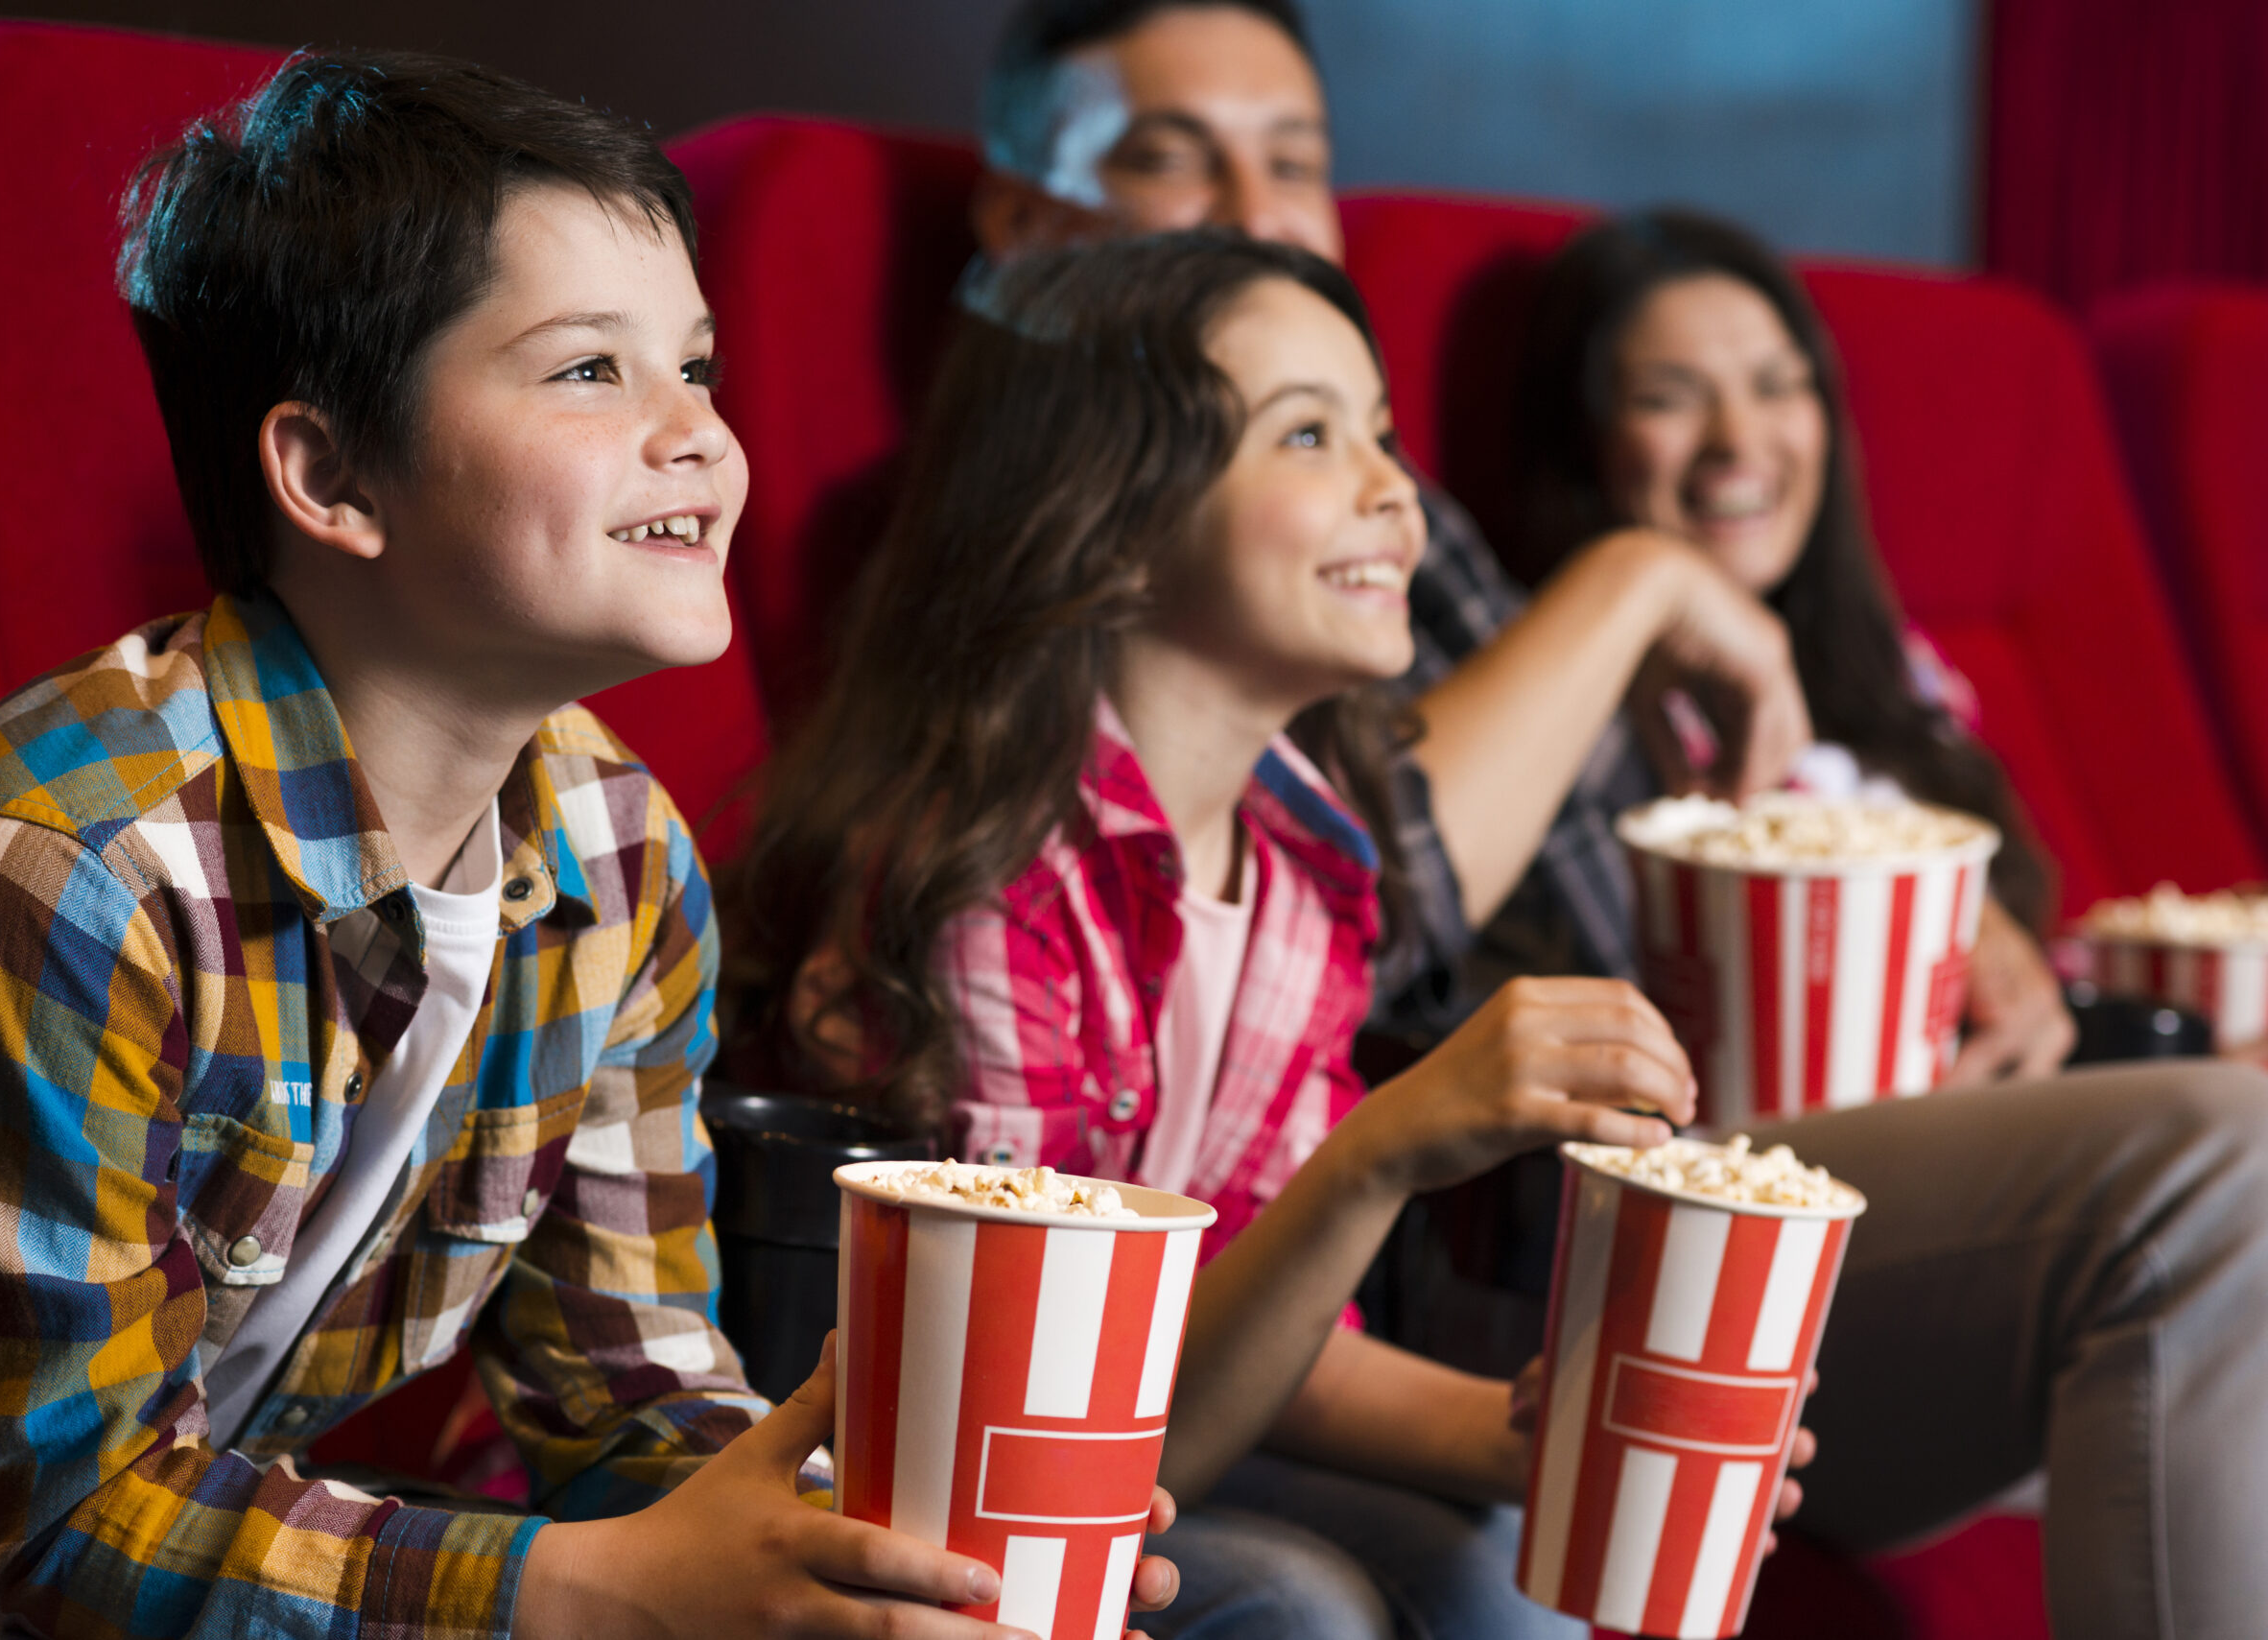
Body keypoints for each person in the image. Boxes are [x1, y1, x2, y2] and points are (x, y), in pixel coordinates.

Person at [0, 51, 1172, 1640]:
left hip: (197, 1548)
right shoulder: (57, 863)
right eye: (591, 371)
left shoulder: (623, 851)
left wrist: (869, 1548)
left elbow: (628, 1387)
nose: (700, 436)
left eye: (700, 363)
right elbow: (73, 1535)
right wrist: (597, 1586)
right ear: (330, 473)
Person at [958, 6, 2268, 1638]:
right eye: (1172, 152)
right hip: (1553, 1207)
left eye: (1294, 157)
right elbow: (1412, 891)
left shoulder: (1325, 785)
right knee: (2229, 1161)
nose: (1253, 202)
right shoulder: (1063, 719)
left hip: (1488, 1249)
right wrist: (1645, 586)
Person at [729, 228, 1749, 1640]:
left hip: (1152, 1446)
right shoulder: (982, 873)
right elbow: (1044, 1445)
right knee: (1303, 1610)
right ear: (1116, 521)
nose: (1395, 491)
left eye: (1383, 435)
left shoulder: (1309, 868)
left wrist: (1556, 1431)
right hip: (902, 1512)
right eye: (1311, 434)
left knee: (1514, 1560)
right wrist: (1389, 1144)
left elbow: (1279, 1337)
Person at [1495, 205, 2072, 1080]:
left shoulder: (1895, 666)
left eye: (1776, 386)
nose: (1738, 440)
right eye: (1668, 400)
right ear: (1585, 448)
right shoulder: (1567, 706)